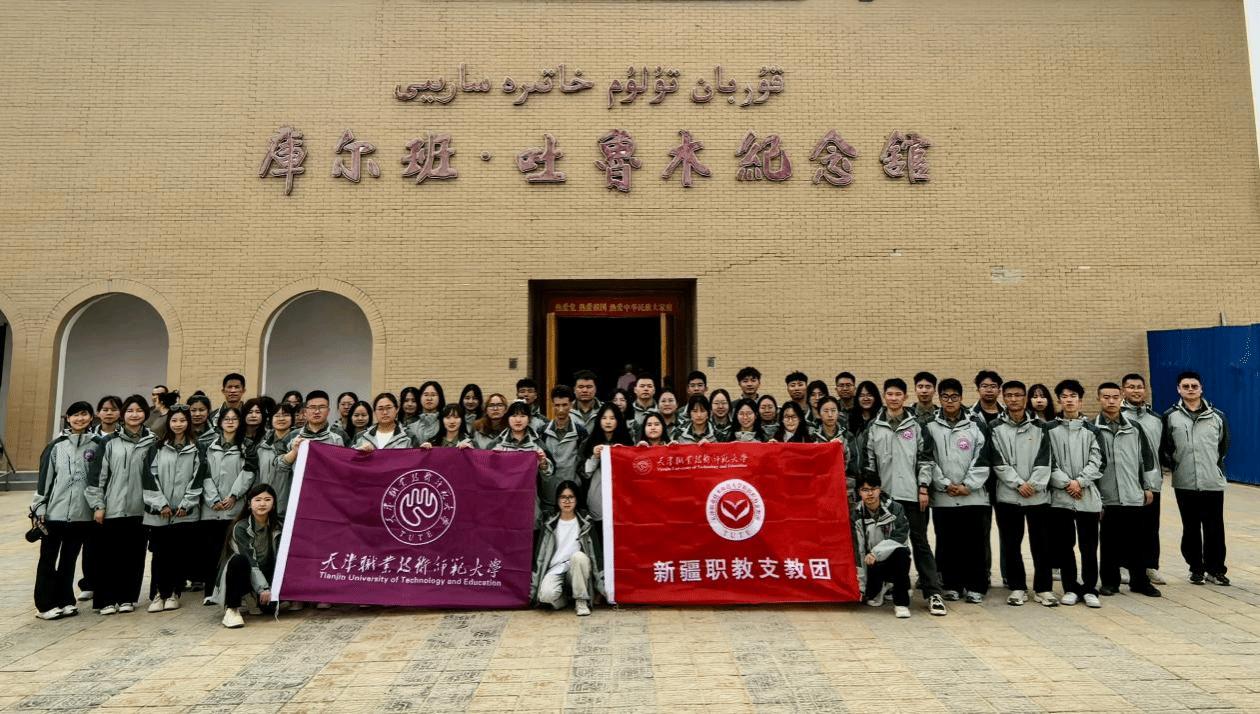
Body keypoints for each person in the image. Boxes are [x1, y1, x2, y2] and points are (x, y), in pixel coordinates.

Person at [861, 378, 947, 616]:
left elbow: (925, 460)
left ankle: (933, 593)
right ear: (884, 397)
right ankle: (884, 586)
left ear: (905, 397)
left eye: (898, 394)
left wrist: (923, 488)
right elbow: (869, 463)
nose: (894, 398)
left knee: (920, 543)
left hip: (912, 496)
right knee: (884, 544)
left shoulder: (917, 425)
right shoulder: (874, 427)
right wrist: (874, 494)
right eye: (889, 394)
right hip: (885, 499)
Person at [85, 394, 155, 615]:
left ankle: (127, 598)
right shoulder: (108, 442)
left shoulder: (152, 441)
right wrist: (98, 505)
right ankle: (105, 600)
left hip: (139, 509)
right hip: (112, 508)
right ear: (123, 414)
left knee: (134, 556)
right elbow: (97, 477)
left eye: (139, 410)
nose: (134, 415)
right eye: (130, 411)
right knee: (108, 556)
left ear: (145, 414)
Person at [922, 379, 990, 604]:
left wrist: (968, 485)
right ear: (939, 399)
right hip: (944, 497)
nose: (949, 401)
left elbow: (983, 456)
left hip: (973, 497)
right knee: (947, 544)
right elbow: (928, 457)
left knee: (975, 544)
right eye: (945, 397)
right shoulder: (930, 425)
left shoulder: (976, 423)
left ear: (961, 398)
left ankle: (976, 587)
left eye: (954, 397)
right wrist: (944, 484)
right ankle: (952, 585)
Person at [1160, 371, 1231, 586]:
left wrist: (1213, 467)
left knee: (1214, 528)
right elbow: (1165, 447)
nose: (1190, 389)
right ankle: (1196, 569)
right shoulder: (1170, 417)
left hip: (1211, 481)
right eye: (1186, 386)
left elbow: (1223, 446)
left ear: (1201, 388)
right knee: (1190, 528)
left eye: (1194, 386)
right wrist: (1177, 466)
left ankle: (1216, 570)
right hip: (1185, 482)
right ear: (1178, 389)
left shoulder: (1217, 416)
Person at [30, 401, 97, 620]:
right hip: (54, 513)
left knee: (69, 559)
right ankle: (44, 605)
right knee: (48, 560)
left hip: (81, 514)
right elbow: (46, 479)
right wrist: (39, 506)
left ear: (91, 418)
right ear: (68, 418)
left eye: (84, 414)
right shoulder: (56, 446)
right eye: (75, 415)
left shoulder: (96, 445)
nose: (79, 419)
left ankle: (66, 600)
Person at [1095, 382, 1160, 603]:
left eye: (1115, 397)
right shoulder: (1092, 428)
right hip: (1107, 495)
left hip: (1133, 493)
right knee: (1109, 542)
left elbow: (1146, 459)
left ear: (1121, 398)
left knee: (1137, 541)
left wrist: (1147, 486)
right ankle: (1109, 582)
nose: (1111, 401)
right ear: (1099, 398)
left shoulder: (1134, 428)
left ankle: (1140, 581)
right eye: (1106, 397)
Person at [990, 381, 1053, 606]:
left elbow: (1046, 459)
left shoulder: (1042, 427)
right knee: (1011, 544)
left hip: (1038, 497)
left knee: (1041, 544)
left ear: (1025, 398)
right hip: (1008, 496)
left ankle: (1043, 588)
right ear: (1003, 398)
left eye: (1018, 395)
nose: (1014, 399)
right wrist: (1017, 483)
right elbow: (997, 460)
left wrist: (1033, 484)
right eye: (1009, 395)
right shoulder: (995, 427)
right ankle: (1017, 587)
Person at [1044, 379, 1105, 607]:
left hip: (1087, 497)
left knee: (1089, 546)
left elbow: (1099, 461)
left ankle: (1090, 589)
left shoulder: (1093, 430)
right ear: (1059, 400)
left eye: (1073, 396)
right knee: (1064, 545)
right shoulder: (1048, 429)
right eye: (1064, 396)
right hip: (1060, 499)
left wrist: (1079, 482)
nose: (1069, 401)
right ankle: (1070, 587)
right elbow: (1046, 461)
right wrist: (1067, 484)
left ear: (1080, 401)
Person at [142, 405, 204, 612]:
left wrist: (186, 503)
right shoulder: (157, 447)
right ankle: (158, 594)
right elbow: (149, 477)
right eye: (174, 420)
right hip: (160, 513)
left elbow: (198, 477)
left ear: (188, 423)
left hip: (183, 513)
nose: (178, 424)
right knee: (159, 554)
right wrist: (160, 504)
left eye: (182, 420)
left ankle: (174, 593)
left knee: (178, 554)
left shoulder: (197, 448)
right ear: (168, 422)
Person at [197, 406, 258, 603]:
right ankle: (210, 593)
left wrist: (233, 495)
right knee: (211, 552)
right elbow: (203, 473)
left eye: (234, 419)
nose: (230, 422)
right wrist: (213, 499)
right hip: (210, 509)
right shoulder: (207, 445)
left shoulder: (247, 445)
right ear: (219, 422)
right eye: (226, 419)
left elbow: (249, 472)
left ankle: (234, 592)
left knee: (234, 552)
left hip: (235, 507)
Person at [210, 483, 283, 629]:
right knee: (239, 560)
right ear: (249, 504)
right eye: (258, 500)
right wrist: (263, 588)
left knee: (270, 609)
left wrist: (273, 588)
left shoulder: (278, 527)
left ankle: (252, 597)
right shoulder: (241, 527)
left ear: (274, 504)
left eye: (267, 500)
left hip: (265, 575)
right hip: (243, 573)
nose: (262, 504)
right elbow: (250, 559)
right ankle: (232, 609)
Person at [530, 481, 603, 616]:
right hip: (555, 568)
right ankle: (566, 599)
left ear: (576, 499)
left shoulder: (585, 522)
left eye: (571, 497)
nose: (567, 501)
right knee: (546, 596)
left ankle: (581, 601)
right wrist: (532, 592)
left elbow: (595, 555)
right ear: (557, 500)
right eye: (563, 497)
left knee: (578, 557)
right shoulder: (550, 523)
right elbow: (539, 557)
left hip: (577, 569)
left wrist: (602, 588)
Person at [1121, 373, 1167, 585]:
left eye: (1139, 387)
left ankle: (1150, 566)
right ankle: (1123, 565)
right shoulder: (1118, 417)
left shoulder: (1156, 419)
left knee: (1150, 528)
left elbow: (1163, 450)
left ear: (1145, 390)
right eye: (1131, 387)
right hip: (1126, 483)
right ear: (1123, 390)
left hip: (1152, 482)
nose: (1136, 391)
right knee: (1126, 527)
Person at [853, 473, 913, 619]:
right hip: (870, 564)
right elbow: (858, 550)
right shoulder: (855, 514)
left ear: (880, 489)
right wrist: (861, 587)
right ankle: (880, 588)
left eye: (873, 489)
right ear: (859, 492)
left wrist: (876, 553)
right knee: (872, 600)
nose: (870, 493)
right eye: (865, 490)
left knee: (902, 554)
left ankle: (901, 604)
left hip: (889, 558)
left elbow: (900, 538)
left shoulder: (896, 509)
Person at [495, 401, 555, 523]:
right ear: (508, 418)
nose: (518, 420)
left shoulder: (537, 444)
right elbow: (485, 470)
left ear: (529, 419)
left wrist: (543, 462)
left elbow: (549, 475)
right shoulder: (497, 444)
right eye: (514, 416)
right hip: (504, 503)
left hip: (531, 504)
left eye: (523, 416)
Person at [582, 403, 634, 524]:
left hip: (622, 498)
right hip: (597, 496)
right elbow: (585, 473)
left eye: (612, 418)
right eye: (604, 418)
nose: (608, 422)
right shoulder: (590, 442)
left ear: (618, 420)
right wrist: (595, 457)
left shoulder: (627, 442)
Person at [280, 391, 347, 469]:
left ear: (328, 411)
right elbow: (279, 466)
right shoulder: (293, 435)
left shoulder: (339, 435)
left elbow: (347, 465)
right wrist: (294, 452)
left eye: (321, 407)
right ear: (305, 411)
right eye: (312, 407)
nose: (317, 411)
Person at [539, 386, 588, 489]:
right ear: (552, 405)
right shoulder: (542, 432)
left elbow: (583, 464)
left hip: (572, 490)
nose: (561, 410)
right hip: (548, 491)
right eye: (557, 405)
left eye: (564, 405)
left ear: (571, 405)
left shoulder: (580, 433)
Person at [811, 396, 859, 497]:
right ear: (819, 414)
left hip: (844, 490)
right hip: (818, 490)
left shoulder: (847, 436)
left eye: (833, 410)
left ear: (839, 413)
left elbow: (853, 468)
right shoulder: (812, 437)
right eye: (825, 411)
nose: (830, 415)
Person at [255, 403, 297, 518]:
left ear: (292, 419)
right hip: (265, 506)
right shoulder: (262, 446)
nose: (281, 419)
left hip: (291, 506)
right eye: (277, 415)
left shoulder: (298, 445)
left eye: (286, 415)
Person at [354, 393, 421, 451]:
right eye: (380, 409)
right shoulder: (362, 436)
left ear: (397, 409)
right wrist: (359, 452)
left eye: (388, 408)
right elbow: (350, 457)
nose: (385, 412)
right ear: (374, 412)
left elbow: (417, 459)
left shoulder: (409, 436)